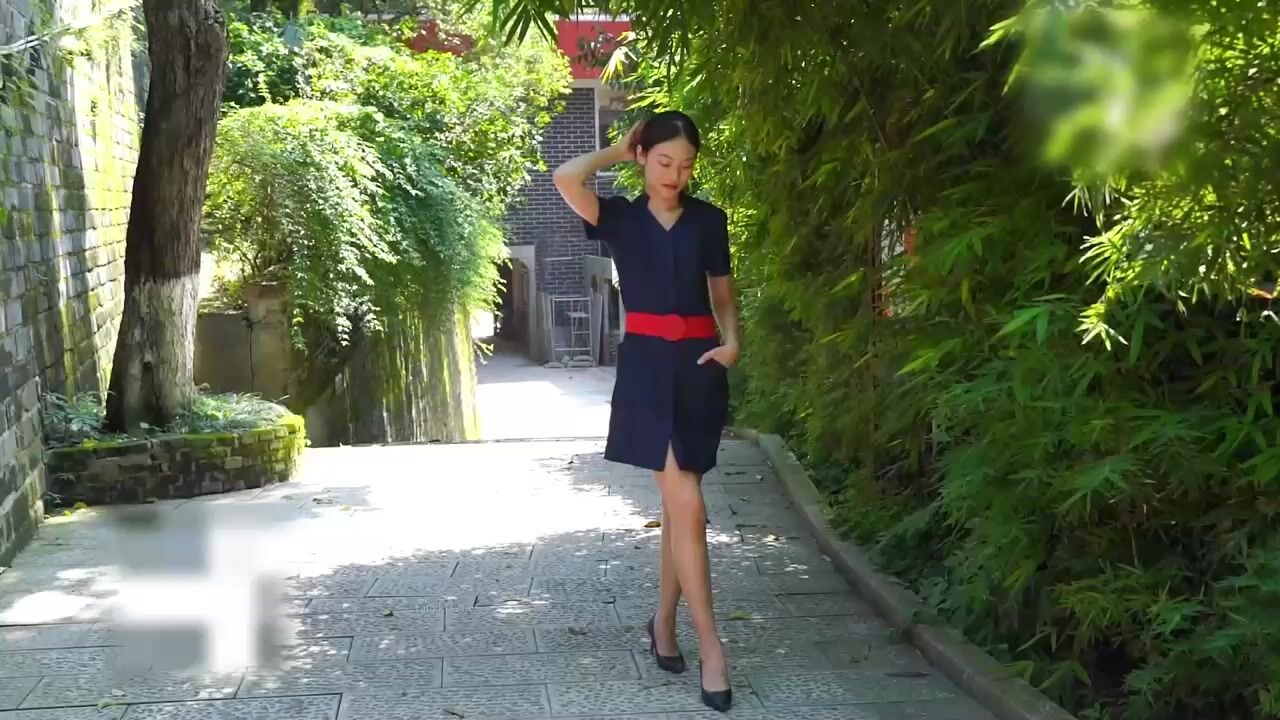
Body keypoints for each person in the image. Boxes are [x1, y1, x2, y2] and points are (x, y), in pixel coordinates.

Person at [553, 111, 738, 713]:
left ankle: (662, 623)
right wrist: (618, 149)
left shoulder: (709, 219)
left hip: (699, 366)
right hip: (646, 369)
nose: (674, 175)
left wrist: (732, 342)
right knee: (690, 505)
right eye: (663, 161)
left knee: (679, 508)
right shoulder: (620, 218)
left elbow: (722, 292)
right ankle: (712, 648)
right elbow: (565, 177)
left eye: (685, 165)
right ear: (643, 157)